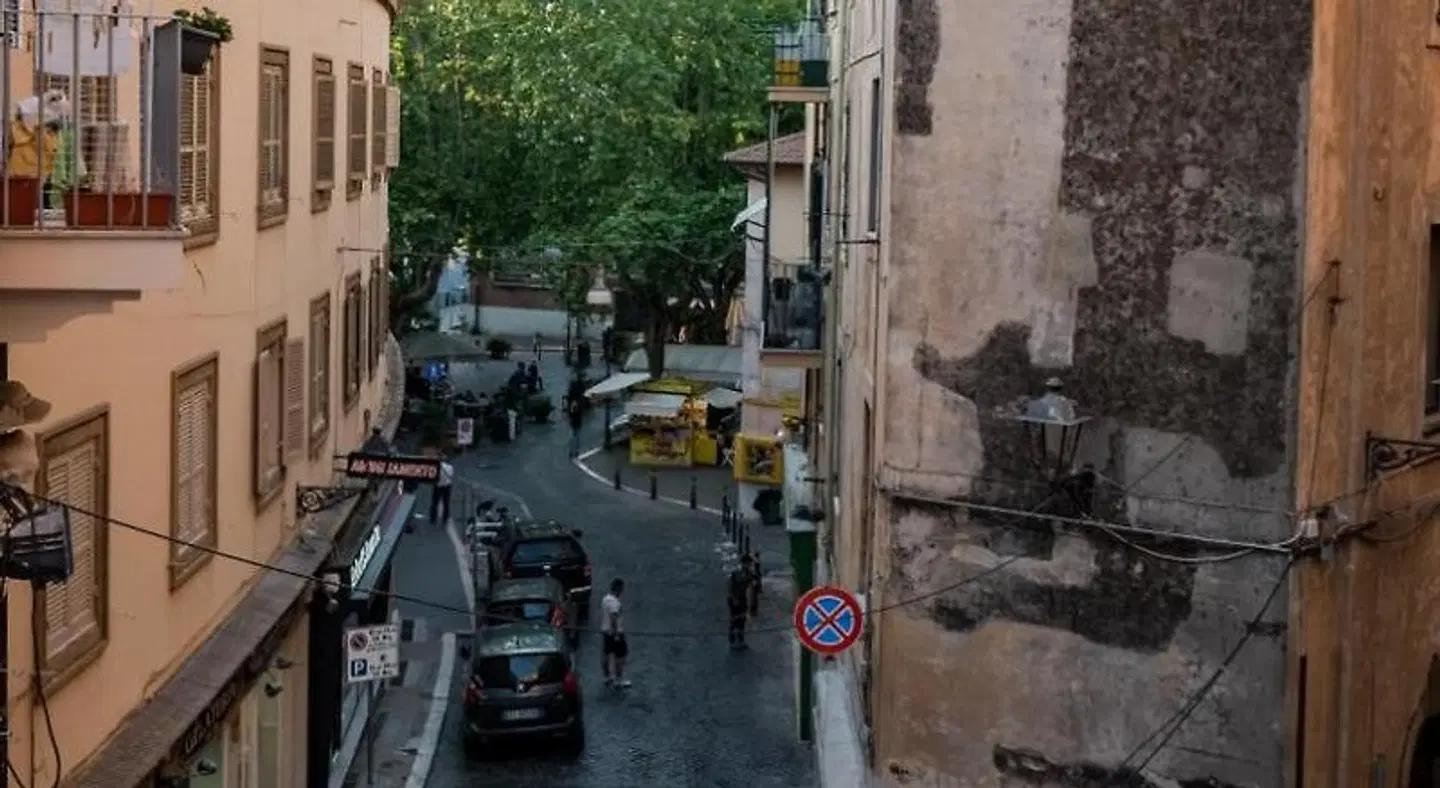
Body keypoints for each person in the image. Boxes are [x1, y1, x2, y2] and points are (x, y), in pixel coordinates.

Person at [600, 578, 630, 688]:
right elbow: (614, 617)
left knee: (606, 654)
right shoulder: (614, 602)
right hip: (615, 633)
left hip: (605, 631)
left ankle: (606, 677)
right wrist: (616, 633)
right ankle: (618, 679)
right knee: (620, 656)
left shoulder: (605, 599)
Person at [727, 554, 761, 650]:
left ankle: (740, 640)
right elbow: (730, 587)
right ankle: (733, 641)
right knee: (734, 620)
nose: (748, 565)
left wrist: (757, 563)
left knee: (742, 620)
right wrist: (734, 599)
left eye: (749, 564)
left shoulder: (749, 574)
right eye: (747, 564)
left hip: (742, 599)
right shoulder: (736, 574)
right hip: (735, 599)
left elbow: (757, 581)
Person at [430, 454, 455, 525]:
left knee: (435, 503)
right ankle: (445, 518)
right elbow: (451, 476)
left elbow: (433, 476)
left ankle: (433, 519)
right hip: (447, 487)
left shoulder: (437, 467)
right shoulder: (450, 467)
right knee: (446, 503)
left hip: (438, 486)